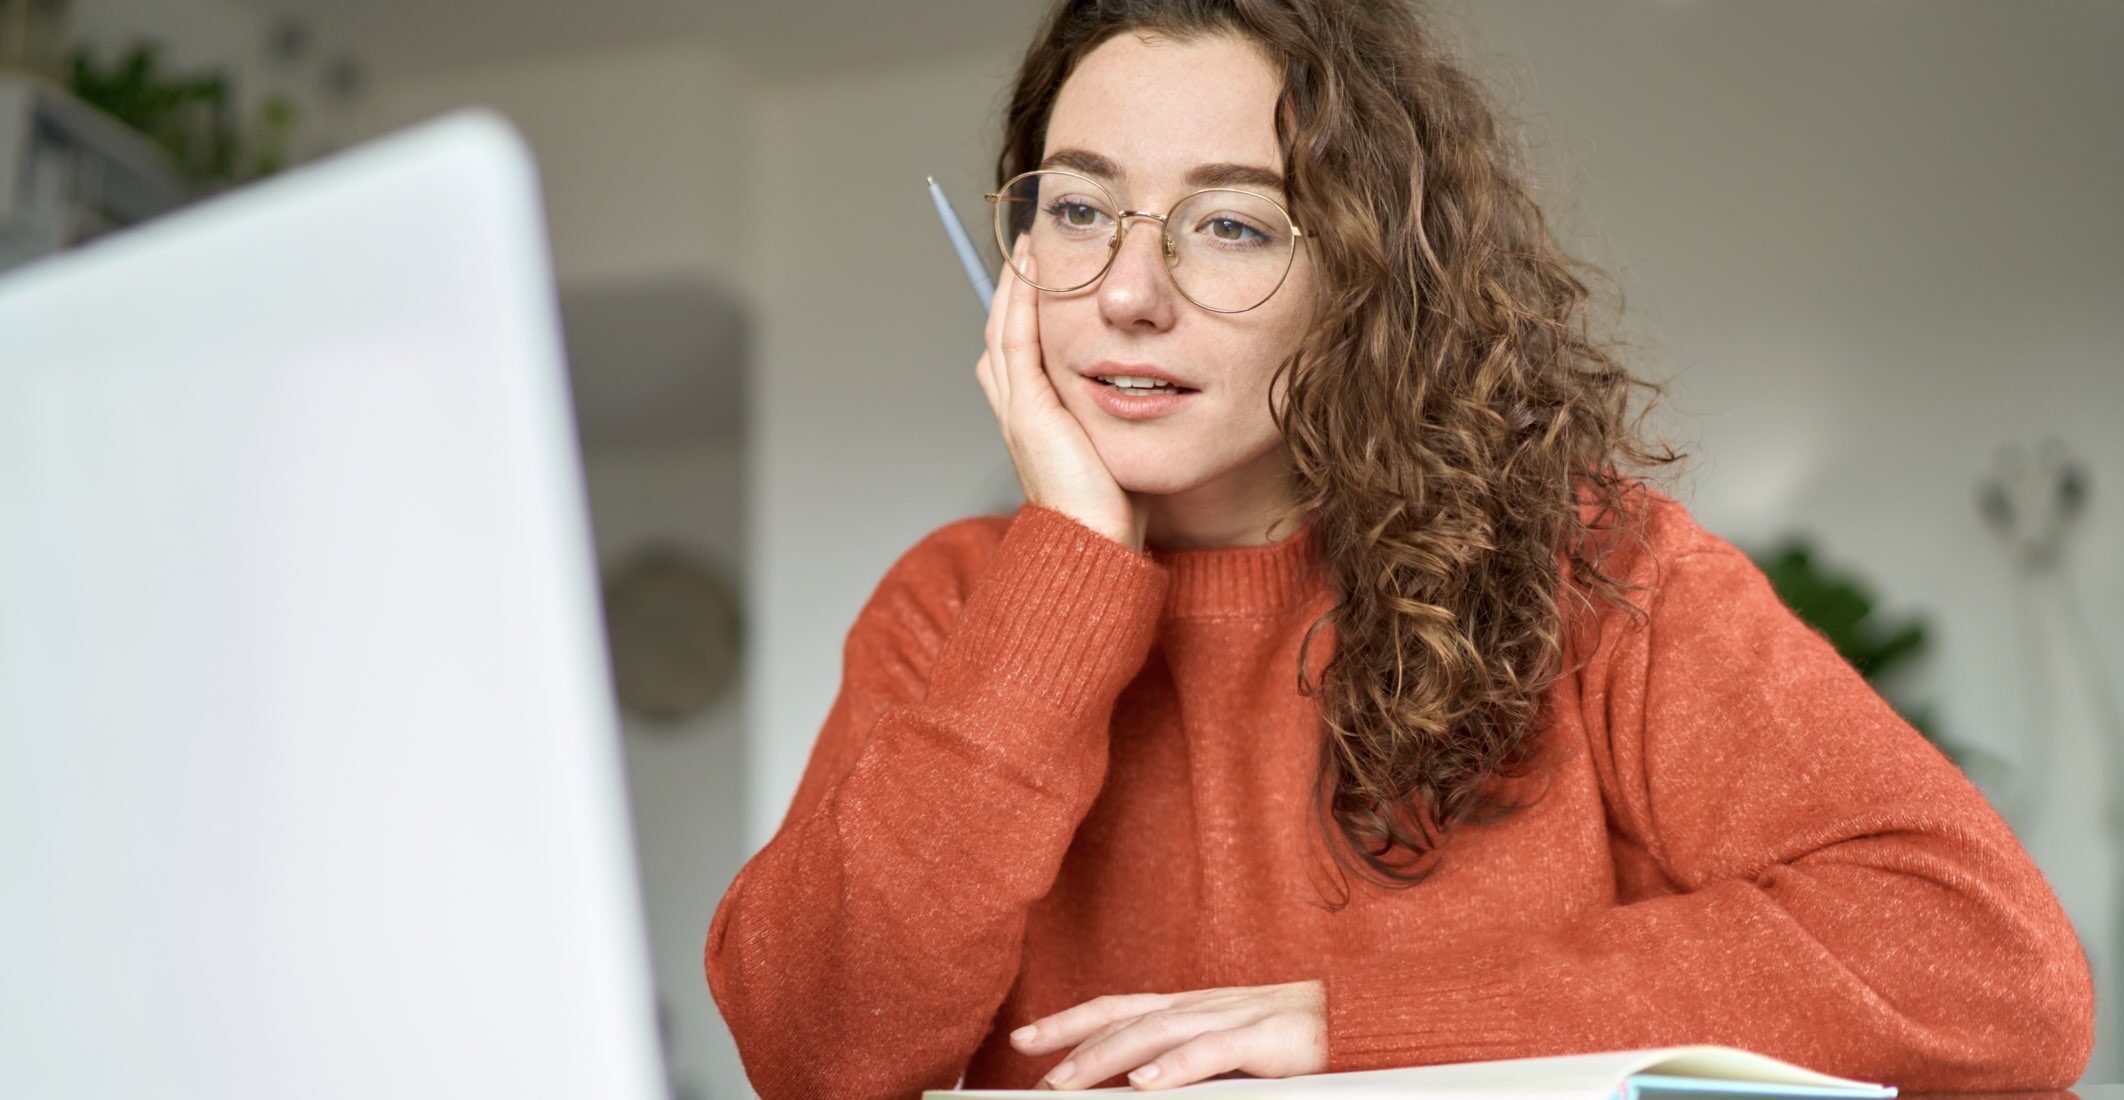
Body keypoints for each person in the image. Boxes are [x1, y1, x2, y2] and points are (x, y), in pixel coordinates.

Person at [705, 1, 2095, 1096]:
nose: (1127, 293)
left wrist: (1366, 1027)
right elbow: (819, 1058)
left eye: (1233, 223)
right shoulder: (957, 607)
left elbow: (1993, 969)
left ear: (1365, 277)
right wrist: (1069, 559)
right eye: (1077, 208)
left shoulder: (1594, 572)